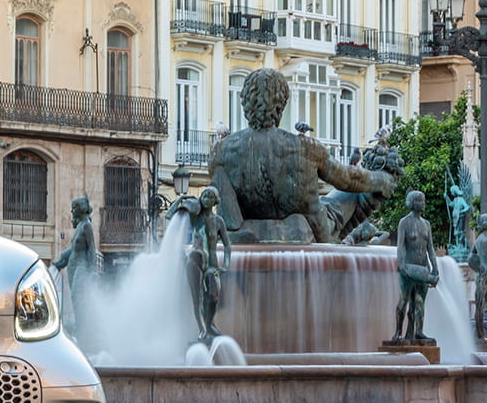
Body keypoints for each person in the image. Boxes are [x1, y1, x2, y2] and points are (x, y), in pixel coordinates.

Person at [208, 68, 399, 243]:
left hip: (250, 240)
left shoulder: (221, 152)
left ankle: (361, 231)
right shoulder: (305, 147)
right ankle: (363, 228)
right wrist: (381, 179)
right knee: (350, 196)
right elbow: (347, 179)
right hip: (314, 234)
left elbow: (231, 221)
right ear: (281, 105)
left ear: (245, 104)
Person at [165, 186, 232, 343]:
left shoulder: (219, 221)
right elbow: (169, 216)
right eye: (204, 196)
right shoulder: (195, 217)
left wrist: (225, 265)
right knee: (198, 298)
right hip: (195, 259)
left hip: (212, 263)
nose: (206, 199)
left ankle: (210, 325)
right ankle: (202, 329)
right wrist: (180, 199)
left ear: (215, 201)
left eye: (210, 197)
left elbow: (227, 245)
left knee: (212, 296)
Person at [393, 190, 440, 341]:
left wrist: (435, 268)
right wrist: (401, 265)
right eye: (420, 201)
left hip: (423, 268)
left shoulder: (426, 224)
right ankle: (398, 332)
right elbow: (400, 246)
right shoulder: (404, 222)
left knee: (419, 303)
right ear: (412, 203)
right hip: (408, 267)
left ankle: (418, 331)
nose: (423, 204)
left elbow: (430, 248)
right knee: (403, 301)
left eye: (423, 200)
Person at [52, 196, 98, 337]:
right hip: (73, 266)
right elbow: (74, 249)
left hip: (81, 267)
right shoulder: (79, 226)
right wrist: (62, 261)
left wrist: (93, 271)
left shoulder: (86, 226)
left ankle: (83, 330)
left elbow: (92, 249)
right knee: (75, 299)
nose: (72, 211)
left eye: (74, 208)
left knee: (79, 299)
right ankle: (80, 329)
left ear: (80, 208)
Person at [469, 214, 487, 339]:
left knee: (480, 305)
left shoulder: (478, 240)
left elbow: (470, 258)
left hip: (481, 275)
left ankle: (480, 333)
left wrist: (478, 267)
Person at [447, 183, 472, 249]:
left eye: (452, 192)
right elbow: (450, 204)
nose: (451, 193)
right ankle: (458, 245)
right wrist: (447, 197)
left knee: (460, 231)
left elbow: (467, 207)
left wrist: (461, 212)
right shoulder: (455, 200)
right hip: (455, 218)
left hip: (460, 217)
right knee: (456, 232)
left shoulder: (461, 199)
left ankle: (461, 245)